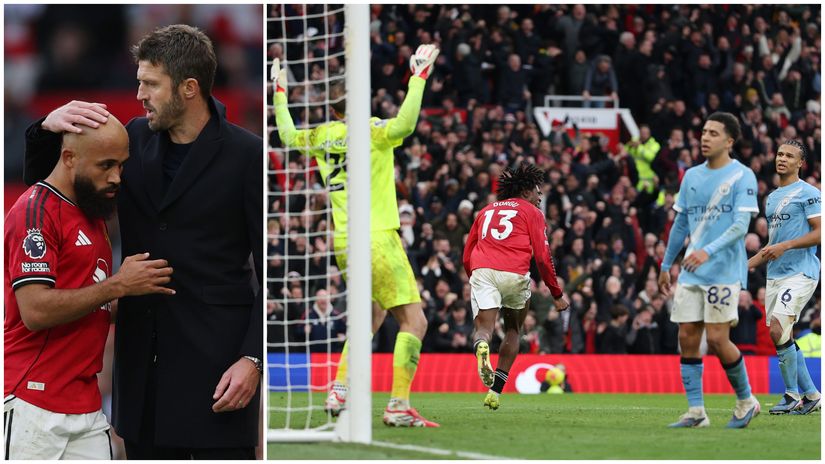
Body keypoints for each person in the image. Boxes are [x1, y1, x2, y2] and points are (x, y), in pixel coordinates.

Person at [23, 25, 263, 459]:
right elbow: (54, 190)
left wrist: (253, 360)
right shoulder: (129, 139)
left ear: (189, 88)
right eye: (139, 81)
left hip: (219, 374)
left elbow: (274, 274)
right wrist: (45, 129)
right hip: (142, 378)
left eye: (150, 83)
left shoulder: (248, 155)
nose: (139, 94)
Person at [271, 44, 440, 427]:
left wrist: (279, 93)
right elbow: (407, 125)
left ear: (332, 109)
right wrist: (418, 78)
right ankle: (398, 405)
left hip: (343, 242)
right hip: (378, 237)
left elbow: (286, 134)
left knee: (371, 315)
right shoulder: (374, 131)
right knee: (415, 323)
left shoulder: (320, 135)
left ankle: (340, 387)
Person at [4, 117, 174, 459]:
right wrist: (118, 286)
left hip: (86, 406)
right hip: (32, 402)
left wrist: (142, 297)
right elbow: (35, 311)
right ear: (69, 158)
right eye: (106, 165)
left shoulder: (92, 213)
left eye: (121, 166)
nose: (116, 177)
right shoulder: (35, 211)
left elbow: (92, 304)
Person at [658, 112, 760, 429]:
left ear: (729, 141)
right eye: (703, 131)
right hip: (691, 271)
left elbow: (741, 227)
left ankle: (746, 401)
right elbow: (681, 224)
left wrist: (707, 251)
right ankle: (696, 412)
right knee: (687, 336)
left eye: (713, 133)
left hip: (724, 270)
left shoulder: (743, 176)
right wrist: (665, 264)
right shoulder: (691, 176)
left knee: (717, 339)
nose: (705, 137)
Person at [462, 163, 570, 410]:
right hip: (514, 273)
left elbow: (467, 254)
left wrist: (476, 277)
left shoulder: (485, 211)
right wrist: (556, 293)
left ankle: (481, 346)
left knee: (484, 329)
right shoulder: (532, 212)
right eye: (537, 190)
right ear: (525, 191)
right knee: (513, 329)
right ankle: (496, 391)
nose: (539, 195)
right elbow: (543, 257)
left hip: (484, 271)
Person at [747, 140, 821, 415]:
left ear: (800, 163)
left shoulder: (810, 193)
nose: (782, 159)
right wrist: (743, 266)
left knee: (778, 326)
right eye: (780, 154)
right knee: (781, 333)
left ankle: (791, 395)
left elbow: (819, 233)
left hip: (802, 272)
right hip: (776, 275)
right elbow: (772, 246)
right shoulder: (773, 198)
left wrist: (786, 246)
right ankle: (812, 395)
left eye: (789, 156)